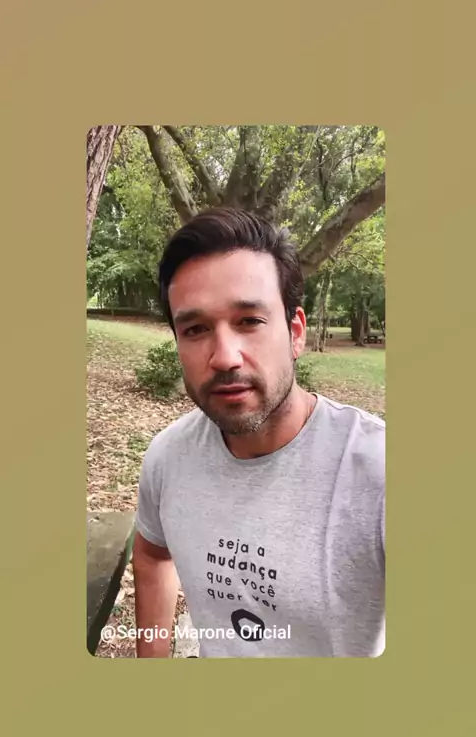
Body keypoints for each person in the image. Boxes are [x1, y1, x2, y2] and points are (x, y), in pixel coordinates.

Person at [133, 208, 385, 658]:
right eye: (195, 329)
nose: (225, 357)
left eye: (249, 321)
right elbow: (153, 554)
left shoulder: (378, 472)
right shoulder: (168, 457)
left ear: (295, 333)